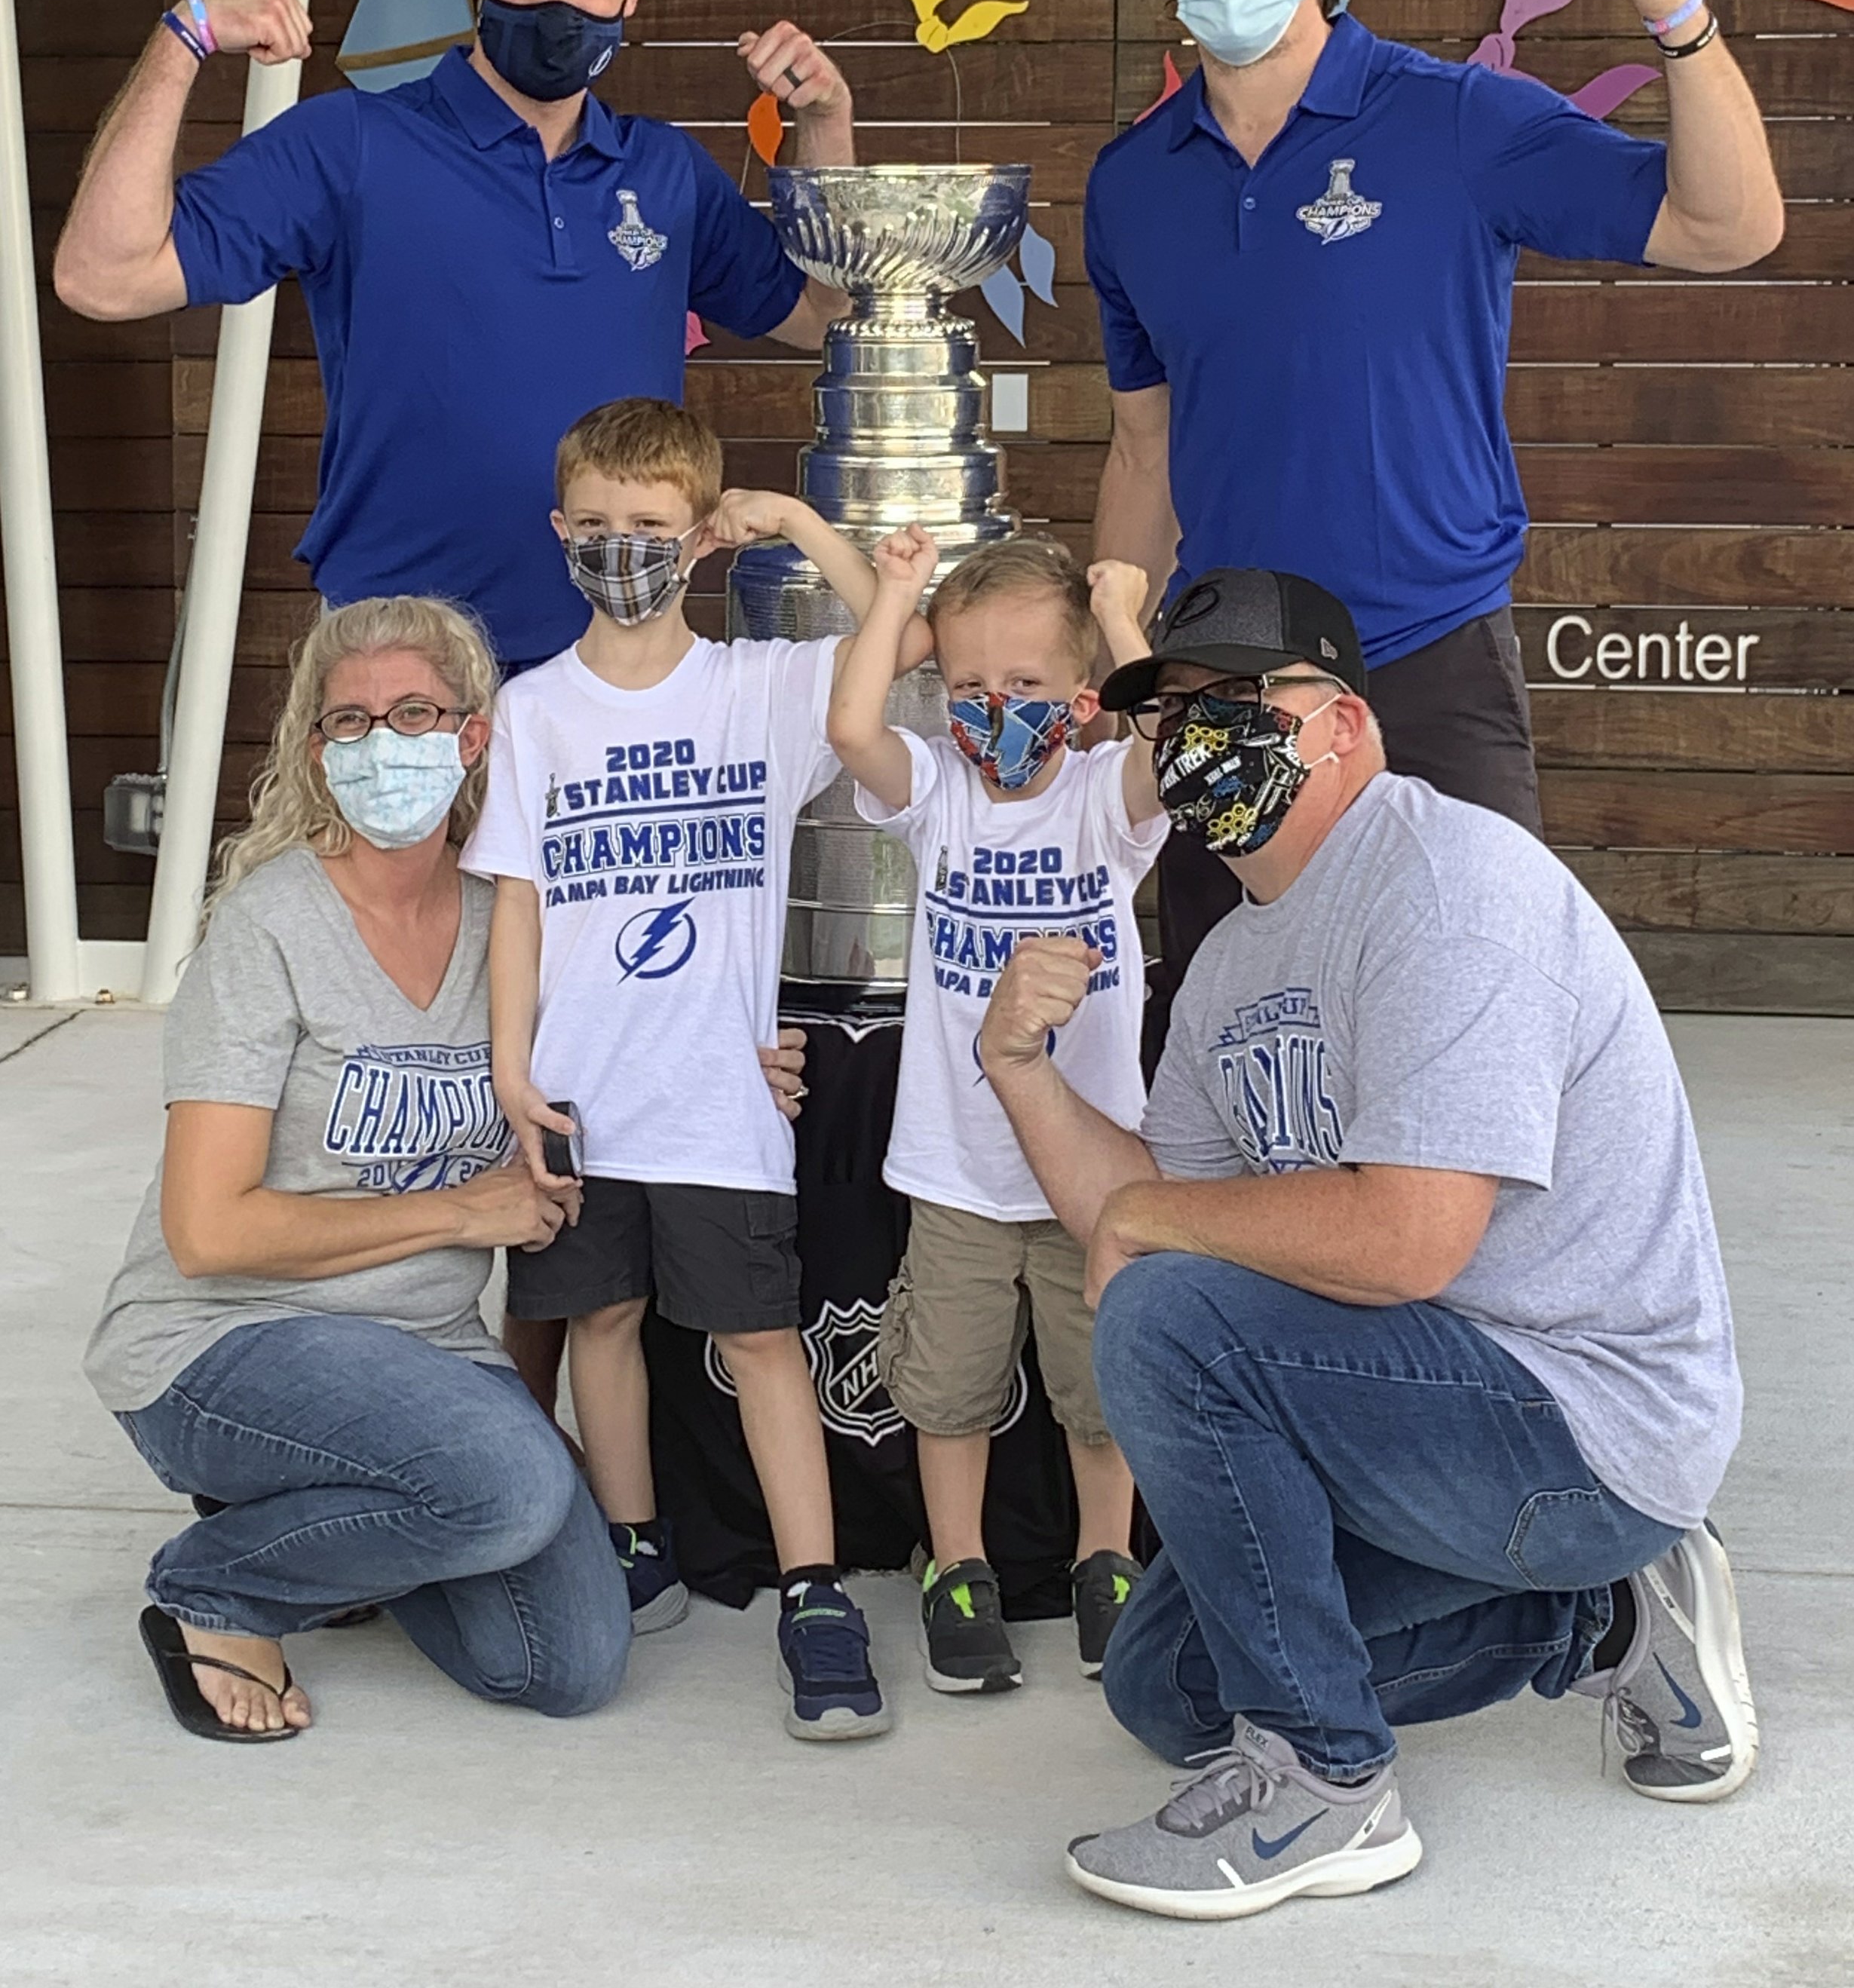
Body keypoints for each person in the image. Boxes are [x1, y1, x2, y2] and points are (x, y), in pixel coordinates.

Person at [976, 565, 1754, 1918]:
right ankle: (1609, 1618)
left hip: (1579, 1419)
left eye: (1234, 702)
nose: (1189, 742)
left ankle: (1327, 1787)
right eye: (1170, 715)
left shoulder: (1446, 886)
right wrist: (1019, 1068)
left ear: (1337, 723)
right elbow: (1160, 1197)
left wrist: (1153, 1227)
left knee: (1165, 1308)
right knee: (1169, 1687)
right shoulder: (1229, 961)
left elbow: (1405, 1241)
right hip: (1427, 1409)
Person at [1085, 0, 1787, 982]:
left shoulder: (1455, 119)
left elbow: (1729, 226)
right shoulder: (1128, 184)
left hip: (1425, 661)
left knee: (1474, 1019)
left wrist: (1673, 14)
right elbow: (1141, 451)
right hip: (1225, 682)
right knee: (1227, 1049)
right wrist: (1117, 683)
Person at [52, 0, 853, 671]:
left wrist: (824, 121)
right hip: (404, 671)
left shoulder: (666, 172)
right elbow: (101, 277)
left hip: (612, 667)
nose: (558, 0)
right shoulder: (352, 143)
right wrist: (186, 37)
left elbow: (820, 314)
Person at [463, 398, 932, 1741]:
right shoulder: (536, 708)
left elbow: (899, 657)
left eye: (653, 528)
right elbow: (517, 904)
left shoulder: (756, 688)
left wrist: (787, 523)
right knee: (599, 1322)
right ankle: (632, 1539)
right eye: (598, 527)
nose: (624, 549)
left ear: (696, 537)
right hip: (581, 1093)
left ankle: (813, 1589)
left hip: (721, 1098)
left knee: (758, 1339)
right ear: (560, 533)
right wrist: (510, 1068)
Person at [84, 597, 615, 1741]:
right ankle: (215, 1586)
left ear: (472, 737)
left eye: (414, 711)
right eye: (350, 722)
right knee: (509, 1488)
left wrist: (751, 1058)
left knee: (560, 1662)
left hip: (425, 1349)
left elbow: (634, 1025)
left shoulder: (506, 923)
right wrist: (463, 1211)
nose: (384, 743)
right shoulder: (270, 928)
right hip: (224, 1340)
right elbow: (207, 1234)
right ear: (317, 751)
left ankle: (345, 1509)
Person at [826, 534, 1168, 1692]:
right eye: (968, 687)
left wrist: (1122, 620)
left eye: (1025, 686)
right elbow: (851, 730)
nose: (994, 710)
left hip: (1092, 1170)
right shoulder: (937, 796)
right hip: (957, 1165)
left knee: (1099, 1389)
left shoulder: (1102, 803)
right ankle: (956, 1564)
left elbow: (1182, 754)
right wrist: (897, 605)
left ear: (1079, 699)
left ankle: (1105, 1560)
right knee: (949, 1386)